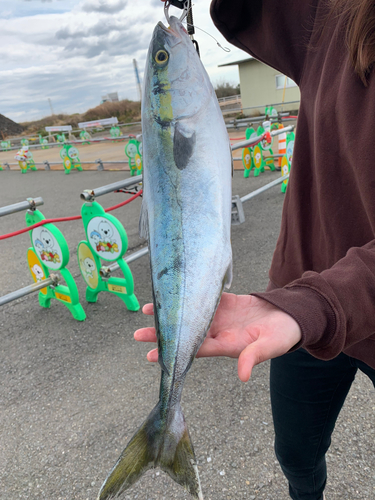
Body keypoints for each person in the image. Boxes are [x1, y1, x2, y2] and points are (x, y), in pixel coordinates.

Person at [136, 1, 375, 499]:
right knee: (296, 455)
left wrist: (320, 303)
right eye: (163, 63)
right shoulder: (338, 20)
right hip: (294, 305)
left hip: (316, 308)